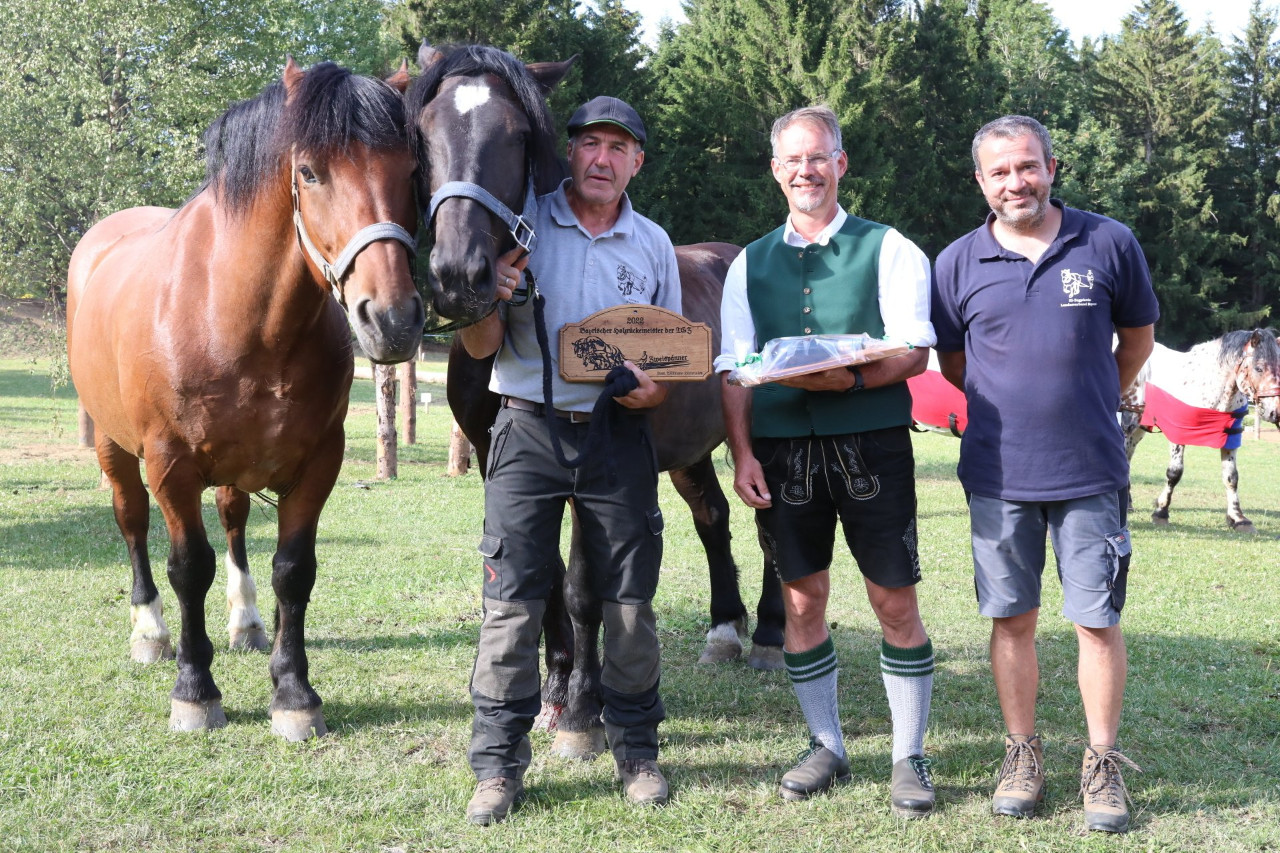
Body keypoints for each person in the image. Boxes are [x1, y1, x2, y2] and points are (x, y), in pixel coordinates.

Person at [931, 115, 1158, 834]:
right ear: (980, 181)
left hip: (1090, 466)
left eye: (1027, 166)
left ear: (1052, 167)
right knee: (1011, 619)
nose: (1015, 182)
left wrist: (1085, 398)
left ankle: (1101, 763)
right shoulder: (956, 262)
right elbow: (956, 366)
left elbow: (1137, 341)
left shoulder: (1108, 242)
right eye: (999, 172)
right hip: (998, 474)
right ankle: (1022, 755)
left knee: (1096, 620)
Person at [458, 96, 681, 825]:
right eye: (590, 143)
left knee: (627, 605)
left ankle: (638, 752)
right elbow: (480, 347)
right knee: (512, 603)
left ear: (636, 162)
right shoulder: (522, 224)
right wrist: (490, 296)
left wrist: (652, 394)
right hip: (526, 430)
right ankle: (497, 766)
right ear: (572, 152)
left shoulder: (652, 244)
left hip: (617, 435)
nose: (603, 159)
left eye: (619, 148)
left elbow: (671, 363)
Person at [717, 105, 938, 818]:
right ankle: (827, 744)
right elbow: (734, 369)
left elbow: (913, 348)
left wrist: (851, 378)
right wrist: (743, 452)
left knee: (893, 600)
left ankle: (908, 754)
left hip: (871, 443)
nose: (806, 170)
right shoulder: (750, 261)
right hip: (782, 452)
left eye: (819, 157)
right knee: (802, 601)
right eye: (792, 160)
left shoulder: (890, 246)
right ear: (776, 171)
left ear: (840, 163)